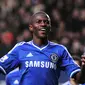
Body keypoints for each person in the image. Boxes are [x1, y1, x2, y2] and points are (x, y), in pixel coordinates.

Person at [0, 11, 85, 85]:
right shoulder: (20, 48)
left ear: (50, 27)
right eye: (39, 22)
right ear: (31, 27)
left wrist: (84, 66)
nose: (43, 24)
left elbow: (79, 79)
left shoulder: (60, 50)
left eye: (46, 22)